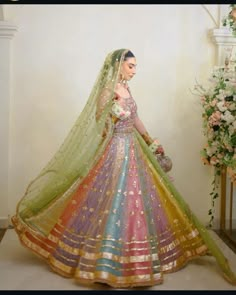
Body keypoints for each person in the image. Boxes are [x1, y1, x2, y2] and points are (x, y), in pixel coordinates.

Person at [12, 49, 236, 288]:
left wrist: (150, 140)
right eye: (131, 66)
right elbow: (99, 119)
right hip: (116, 149)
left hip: (133, 147)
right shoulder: (108, 91)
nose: (134, 71)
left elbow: (136, 118)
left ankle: (139, 258)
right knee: (112, 198)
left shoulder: (127, 89)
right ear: (119, 66)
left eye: (136, 66)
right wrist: (113, 117)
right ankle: (107, 261)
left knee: (138, 197)